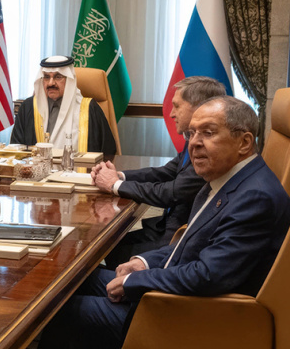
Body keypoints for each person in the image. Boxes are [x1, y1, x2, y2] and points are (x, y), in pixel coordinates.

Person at [0, 96, 290, 349]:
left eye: (208, 132)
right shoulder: (228, 179)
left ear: (244, 142)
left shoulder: (254, 197)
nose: (194, 143)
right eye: (191, 133)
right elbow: (193, 245)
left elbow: (208, 276)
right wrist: (144, 262)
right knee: (73, 283)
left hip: (209, 321)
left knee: (70, 312)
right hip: (196, 301)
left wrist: (135, 282)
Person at [91, 76, 227, 266]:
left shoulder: (209, 150)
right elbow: (165, 171)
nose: (171, 114)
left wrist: (115, 185)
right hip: (165, 226)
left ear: (199, 108)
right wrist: (120, 176)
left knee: (101, 252)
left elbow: (171, 193)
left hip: (176, 239)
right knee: (105, 245)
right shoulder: (193, 139)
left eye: (177, 106)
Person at [10, 55, 117, 157]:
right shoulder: (28, 108)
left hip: (78, 170)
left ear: (70, 80)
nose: (51, 83)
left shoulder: (89, 109)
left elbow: (108, 151)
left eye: (58, 77)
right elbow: (16, 149)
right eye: (46, 77)